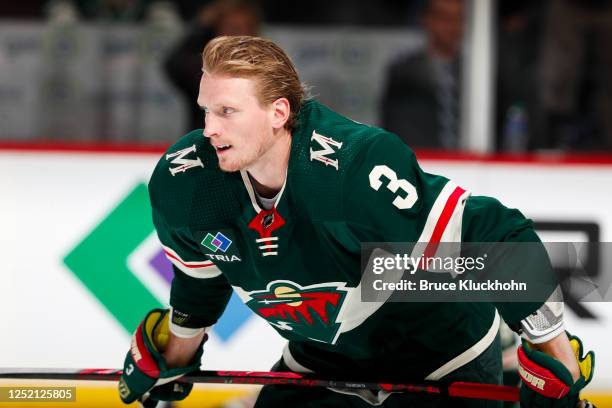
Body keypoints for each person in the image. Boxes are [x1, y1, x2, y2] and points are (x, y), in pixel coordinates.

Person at [118, 36, 594, 407]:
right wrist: (175, 356)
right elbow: (202, 279)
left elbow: (499, 237)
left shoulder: (355, 172)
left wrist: (553, 352)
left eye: (227, 112)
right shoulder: (188, 183)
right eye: (206, 110)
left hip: (440, 354)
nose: (209, 129)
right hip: (323, 359)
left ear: (278, 113)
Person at [381, 0, 464, 150]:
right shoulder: (404, 73)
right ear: (427, 20)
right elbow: (397, 129)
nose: (452, 25)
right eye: (444, 17)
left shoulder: (474, 74)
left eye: (458, 18)